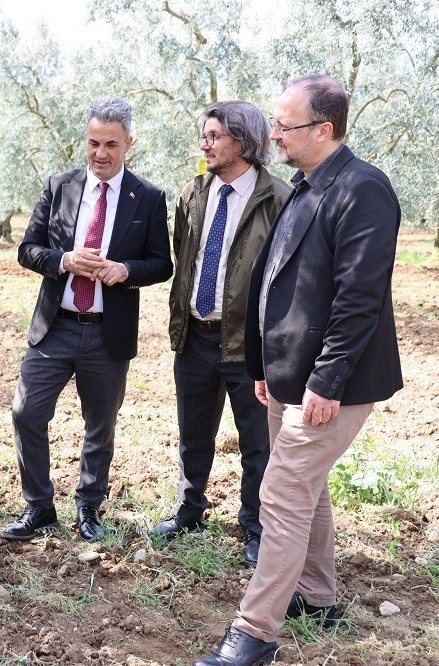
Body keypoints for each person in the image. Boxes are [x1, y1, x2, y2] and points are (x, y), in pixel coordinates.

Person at [195, 75, 402, 666]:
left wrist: (326, 381)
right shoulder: (307, 186)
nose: (275, 135)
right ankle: (316, 597)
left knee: (282, 491)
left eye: (285, 126)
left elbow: (359, 297)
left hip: (332, 382)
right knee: (305, 487)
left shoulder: (363, 189)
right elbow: (279, 278)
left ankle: (255, 631)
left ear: (324, 129)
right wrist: (267, 365)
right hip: (288, 376)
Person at [3, 96, 173, 542]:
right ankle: (39, 507)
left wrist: (126, 270)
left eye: (111, 144)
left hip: (107, 335)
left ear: (129, 144)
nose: (100, 153)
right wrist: (64, 261)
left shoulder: (149, 198)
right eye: (94, 142)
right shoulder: (59, 187)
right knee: (26, 413)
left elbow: (162, 263)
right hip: (54, 328)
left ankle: (88, 508)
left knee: (101, 426)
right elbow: (27, 250)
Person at [155, 101, 291, 566]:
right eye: (204, 135)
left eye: (214, 136)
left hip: (249, 346)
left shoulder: (278, 199)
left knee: (257, 443)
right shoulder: (193, 194)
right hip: (194, 337)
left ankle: (255, 525)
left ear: (243, 141)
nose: (204, 144)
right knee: (193, 433)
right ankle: (189, 510)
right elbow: (184, 258)